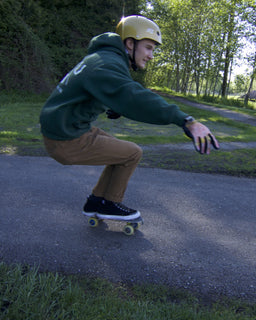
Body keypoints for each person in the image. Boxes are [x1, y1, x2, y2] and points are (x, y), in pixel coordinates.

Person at [39, 15, 220, 221]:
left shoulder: (104, 58)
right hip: (66, 137)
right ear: (130, 43)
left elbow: (101, 90)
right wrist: (186, 120)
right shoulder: (107, 64)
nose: (151, 55)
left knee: (119, 150)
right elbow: (136, 97)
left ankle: (96, 202)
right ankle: (110, 203)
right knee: (132, 153)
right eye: (149, 47)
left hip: (67, 128)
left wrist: (114, 105)